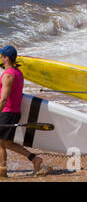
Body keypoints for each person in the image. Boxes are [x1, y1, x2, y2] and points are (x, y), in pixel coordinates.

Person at [0, 46, 51, 178]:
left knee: (0, 143)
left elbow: (4, 99)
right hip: (13, 112)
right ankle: (35, 159)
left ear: (6, 58)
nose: (0, 58)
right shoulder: (18, 73)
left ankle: (2, 172)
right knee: (6, 143)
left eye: (1, 56)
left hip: (7, 112)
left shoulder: (8, 75)